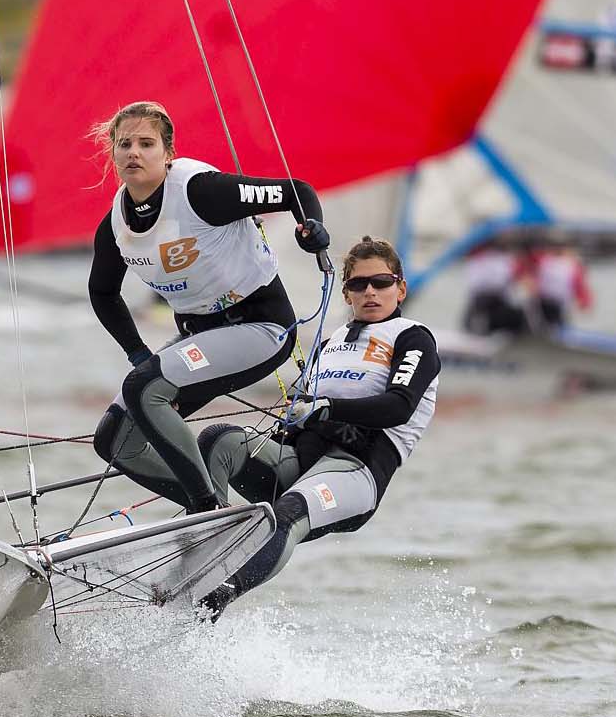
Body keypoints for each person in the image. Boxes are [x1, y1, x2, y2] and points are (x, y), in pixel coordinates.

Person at [88, 101, 330, 515]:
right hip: (199, 335)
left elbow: (296, 192)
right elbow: (102, 293)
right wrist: (138, 352)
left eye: (147, 144)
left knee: (143, 389)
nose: (134, 153)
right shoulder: (116, 224)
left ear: (168, 154)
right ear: (112, 154)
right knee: (114, 440)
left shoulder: (202, 193)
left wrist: (313, 230)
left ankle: (205, 511)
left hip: (260, 329)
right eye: (124, 144)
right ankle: (213, 507)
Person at [195, 236, 439, 621]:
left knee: (288, 511)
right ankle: (203, 547)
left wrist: (325, 409)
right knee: (218, 440)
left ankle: (213, 600)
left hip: (356, 472)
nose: (370, 292)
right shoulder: (331, 343)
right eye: (359, 284)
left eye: (381, 282)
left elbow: (399, 406)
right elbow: (302, 412)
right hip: (301, 461)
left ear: (401, 288)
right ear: (347, 294)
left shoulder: (413, 338)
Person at [526, 239, 592, 330]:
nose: (558, 249)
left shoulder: (573, 264)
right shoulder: (543, 259)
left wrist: (585, 301)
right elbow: (528, 262)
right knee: (542, 325)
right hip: (542, 302)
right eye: (556, 246)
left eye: (561, 247)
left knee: (560, 325)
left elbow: (580, 286)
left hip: (561, 304)